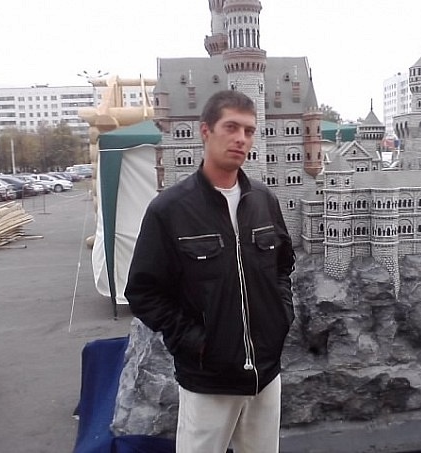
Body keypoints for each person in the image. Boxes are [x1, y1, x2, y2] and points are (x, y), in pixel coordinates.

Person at [125, 90, 295, 453]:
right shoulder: (170, 209)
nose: (241, 139)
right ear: (205, 131)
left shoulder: (264, 201)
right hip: (208, 379)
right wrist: (195, 341)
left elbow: (283, 267)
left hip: (266, 374)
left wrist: (281, 316)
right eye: (231, 127)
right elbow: (143, 292)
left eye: (249, 130)